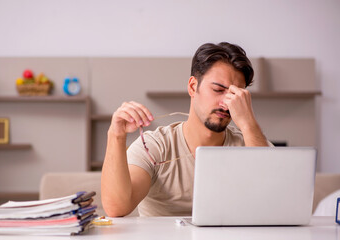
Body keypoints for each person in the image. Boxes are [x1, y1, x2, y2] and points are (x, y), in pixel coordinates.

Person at [101, 42, 272, 217]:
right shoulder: (156, 145)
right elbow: (117, 208)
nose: (226, 104)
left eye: (236, 96)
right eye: (218, 90)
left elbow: (271, 199)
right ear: (192, 87)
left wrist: (248, 123)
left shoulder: (251, 143)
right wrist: (116, 136)